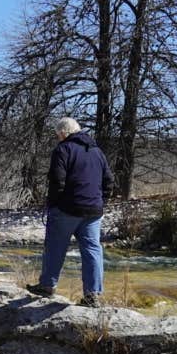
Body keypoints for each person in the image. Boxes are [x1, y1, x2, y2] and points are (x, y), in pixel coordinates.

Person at [27, 117, 114, 306]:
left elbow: (57, 181)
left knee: (55, 247)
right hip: (93, 210)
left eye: (58, 135)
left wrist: (53, 204)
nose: (58, 138)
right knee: (92, 250)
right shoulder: (97, 151)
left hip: (67, 208)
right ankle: (92, 295)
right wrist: (101, 201)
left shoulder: (63, 149)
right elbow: (109, 181)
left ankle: (47, 286)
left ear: (63, 133)